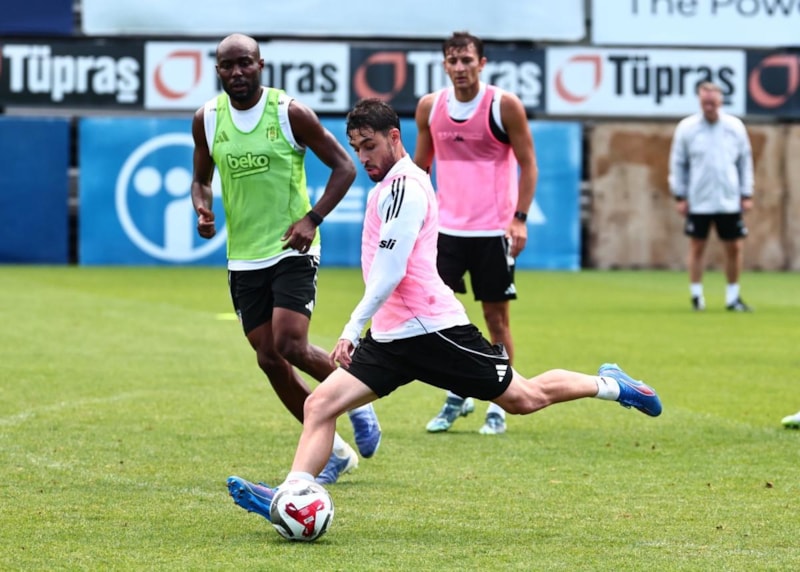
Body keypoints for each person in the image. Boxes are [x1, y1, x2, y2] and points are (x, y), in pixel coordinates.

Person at [225, 99, 662, 523]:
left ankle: (614, 385)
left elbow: (391, 270)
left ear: (394, 137)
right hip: (393, 337)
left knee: (525, 399)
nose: (363, 157)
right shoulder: (386, 187)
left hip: (433, 330)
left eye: (369, 146)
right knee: (320, 405)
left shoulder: (406, 187)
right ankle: (292, 493)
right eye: (356, 148)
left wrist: (352, 328)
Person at [190, 33, 381, 486]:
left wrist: (312, 219)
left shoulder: (288, 112)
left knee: (291, 343)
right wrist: (202, 207)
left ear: (260, 64)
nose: (236, 72)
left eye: (244, 63)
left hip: (293, 247)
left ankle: (358, 400)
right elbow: (201, 178)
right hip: (244, 257)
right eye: (227, 66)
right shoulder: (207, 118)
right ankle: (335, 453)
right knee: (268, 357)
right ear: (218, 71)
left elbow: (345, 166)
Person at [414, 31, 538, 435]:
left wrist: (519, 218)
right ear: (444, 65)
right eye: (453, 60)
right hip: (446, 232)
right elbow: (420, 168)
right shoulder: (430, 107)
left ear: (482, 64)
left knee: (496, 320)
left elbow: (528, 164)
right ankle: (457, 394)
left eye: (467, 60)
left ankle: (500, 404)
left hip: (492, 232)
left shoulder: (503, 106)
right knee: (440, 320)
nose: (460, 67)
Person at [668, 81, 755, 312]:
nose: (709, 106)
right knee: (697, 246)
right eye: (705, 101)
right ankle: (697, 296)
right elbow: (678, 163)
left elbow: (745, 162)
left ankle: (732, 297)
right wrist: (680, 195)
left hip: (728, 198)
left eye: (712, 101)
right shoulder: (687, 128)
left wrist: (746, 193)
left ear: (720, 101)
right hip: (699, 199)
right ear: (699, 101)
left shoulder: (734, 127)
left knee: (734, 247)